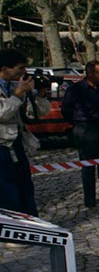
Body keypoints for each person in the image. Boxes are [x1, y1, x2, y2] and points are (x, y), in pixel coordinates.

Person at [61, 60, 99, 208]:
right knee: (88, 164)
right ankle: (90, 199)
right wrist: (77, 123)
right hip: (84, 128)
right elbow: (66, 110)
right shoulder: (75, 90)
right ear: (90, 73)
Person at [0, 49, 50, 215]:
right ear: (5, 68)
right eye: (20, 68)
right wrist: (18, 94)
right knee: (7, 192)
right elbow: (2, 114)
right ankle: (11, 234)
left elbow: (34, 113)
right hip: (2, 145)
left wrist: (39, 95)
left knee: (25, 187)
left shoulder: (15, 86)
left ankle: (31, 223)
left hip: (17, 143)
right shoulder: (15, 89)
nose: (23, 72)